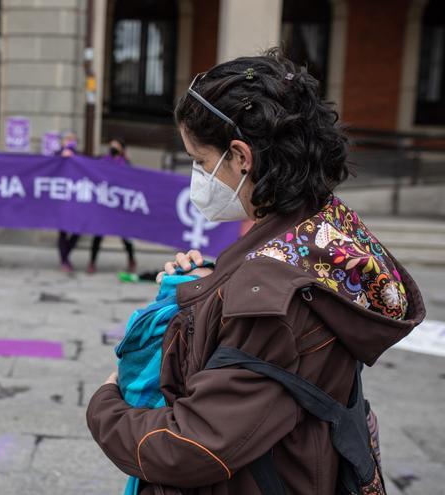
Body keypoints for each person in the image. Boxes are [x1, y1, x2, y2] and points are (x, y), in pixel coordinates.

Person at [87, 49, 425, 494]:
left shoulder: (268, 295)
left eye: (201, 161)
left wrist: (106, 405)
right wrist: (211, 283)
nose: (199, 175)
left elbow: (194, 446)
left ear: (241, 157)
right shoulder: (327, 227)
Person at [87, 138, 137, 275]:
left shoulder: (125, 164)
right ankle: (92, 262)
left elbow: (131, 181)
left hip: (119, 207)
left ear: (122, 149)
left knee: (125, 237)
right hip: (105, 206)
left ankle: (132, 260)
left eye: (116, 145)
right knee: (98, 236)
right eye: (111, 145)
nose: (113, 147)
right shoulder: (102, 160)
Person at [57, 131, 81, 272]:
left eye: (73, 139)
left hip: (76, 200)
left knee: (77, 231)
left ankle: (65, 256)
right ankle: (64, 260)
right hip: (61, 201)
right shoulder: (57, 155)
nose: (70, 141)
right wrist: (61, 157)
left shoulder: (79, 156)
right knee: (63, 231)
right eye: (67, 138)